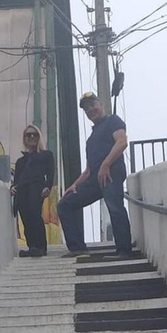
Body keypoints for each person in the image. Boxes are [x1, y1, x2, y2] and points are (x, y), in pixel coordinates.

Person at [57, 92, 132, 258]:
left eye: (92, 105)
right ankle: (78, 249)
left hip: (111, 173)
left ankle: (124, 251)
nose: (90, 109)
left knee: (115, 207)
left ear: (100, 104)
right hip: (95, 178)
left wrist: (106, 164)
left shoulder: (113, 120)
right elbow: (89, 170)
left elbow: (122, 142)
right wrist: (75, 185)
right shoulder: (91, 139)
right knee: (65, 204)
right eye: (86, 108)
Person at [11, 124, 55, 257]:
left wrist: (48, 186)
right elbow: (17, 179)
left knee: (34, 213)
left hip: (36, 187)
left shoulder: (46, 155)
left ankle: (41, 246)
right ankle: (32, 246)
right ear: (24, 139)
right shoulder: (20, 161)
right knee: (25, 217)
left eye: (34, 134)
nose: (31, 137)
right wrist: (13, 187)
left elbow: (51, 173)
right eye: (28, 135)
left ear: (39, 137)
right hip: (22, 190)